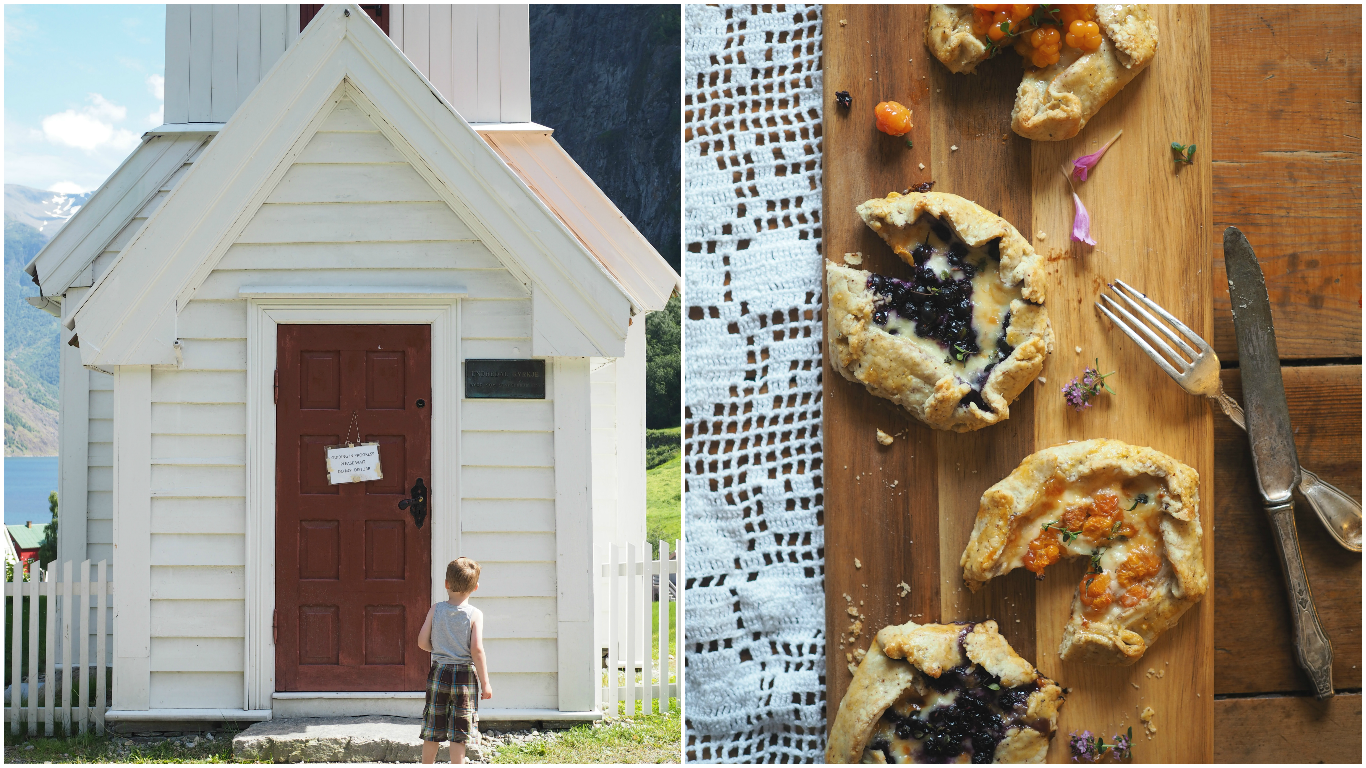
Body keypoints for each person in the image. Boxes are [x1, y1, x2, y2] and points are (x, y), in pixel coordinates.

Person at [418, 557, 493, 763]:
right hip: (464, 676)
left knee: (433, 725)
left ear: (446, 584)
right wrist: (485, 683)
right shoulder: (475, 614)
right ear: (475, 587)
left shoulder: (436, 609)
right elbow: (477, 649)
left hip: (439, 672)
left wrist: (441, 649)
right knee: (459, 729)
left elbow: (422, 642)